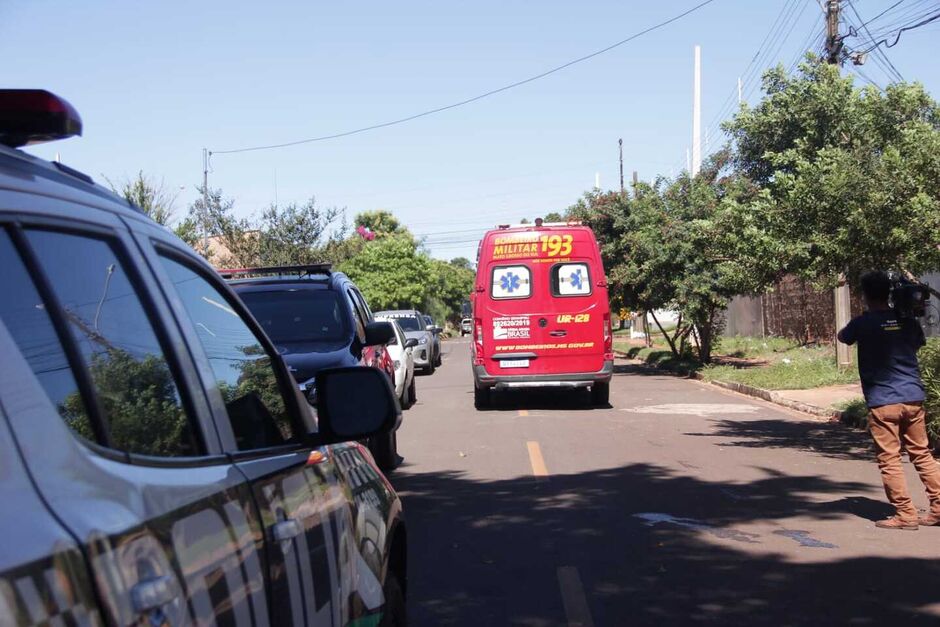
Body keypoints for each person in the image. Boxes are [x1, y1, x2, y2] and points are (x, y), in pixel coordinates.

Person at [838, 271, 940, 530]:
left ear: (865, 295)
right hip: (913, 397)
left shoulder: (863, 323)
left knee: (890, 458)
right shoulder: (906, 321)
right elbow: (918, 343)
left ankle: (906, 514)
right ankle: (938, 507)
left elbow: (843, 337)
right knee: (922, 454)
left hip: (883, 401)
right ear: (890, 293)